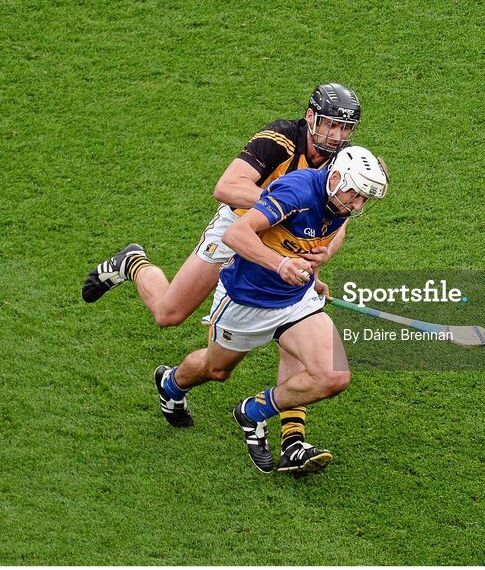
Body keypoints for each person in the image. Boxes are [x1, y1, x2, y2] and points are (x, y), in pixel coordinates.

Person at [81, 83, 362, 466]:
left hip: (288, 239)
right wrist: (284, 204)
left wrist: (322, 254)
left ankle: (293, 439)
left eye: (345, 129)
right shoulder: (280, 139)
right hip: (241, 226)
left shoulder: (343, 161)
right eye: (330, 125)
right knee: (169, 313)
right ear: (310, 117)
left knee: (293, 318)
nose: (337, 136)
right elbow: (227, 187)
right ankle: (133, 264)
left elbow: (341, 216)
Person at [154, 146, 388, 473]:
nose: (358, 205)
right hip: (246, 301)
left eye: (365, 199)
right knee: (216, 370)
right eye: (357, 194)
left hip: (295, 300)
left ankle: (253, 412)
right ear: (336, 177)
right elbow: (237, 234)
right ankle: (171, 383)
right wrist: (280, 265)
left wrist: (313, 274)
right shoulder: (297, 190)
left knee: (334, 376)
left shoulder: (340, 206)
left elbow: (311, 240)